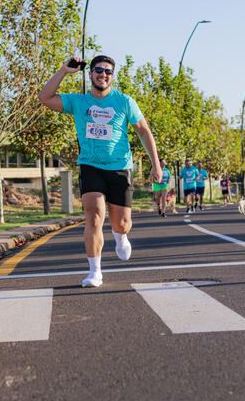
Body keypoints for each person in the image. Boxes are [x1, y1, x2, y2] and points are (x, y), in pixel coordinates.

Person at [38, 55, 163, 288]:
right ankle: (95, 272)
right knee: (94, 215)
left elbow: (144, 131)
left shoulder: (124, 101)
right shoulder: (78, 102)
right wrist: (63, 71)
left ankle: (120, 236)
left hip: (120, 168)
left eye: (107, 71)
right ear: (90, 74)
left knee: (122, 223)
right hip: (90, 165)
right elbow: (44, 98)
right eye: (98, 70)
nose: (102, 74)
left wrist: (155, 164)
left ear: (112, 77)